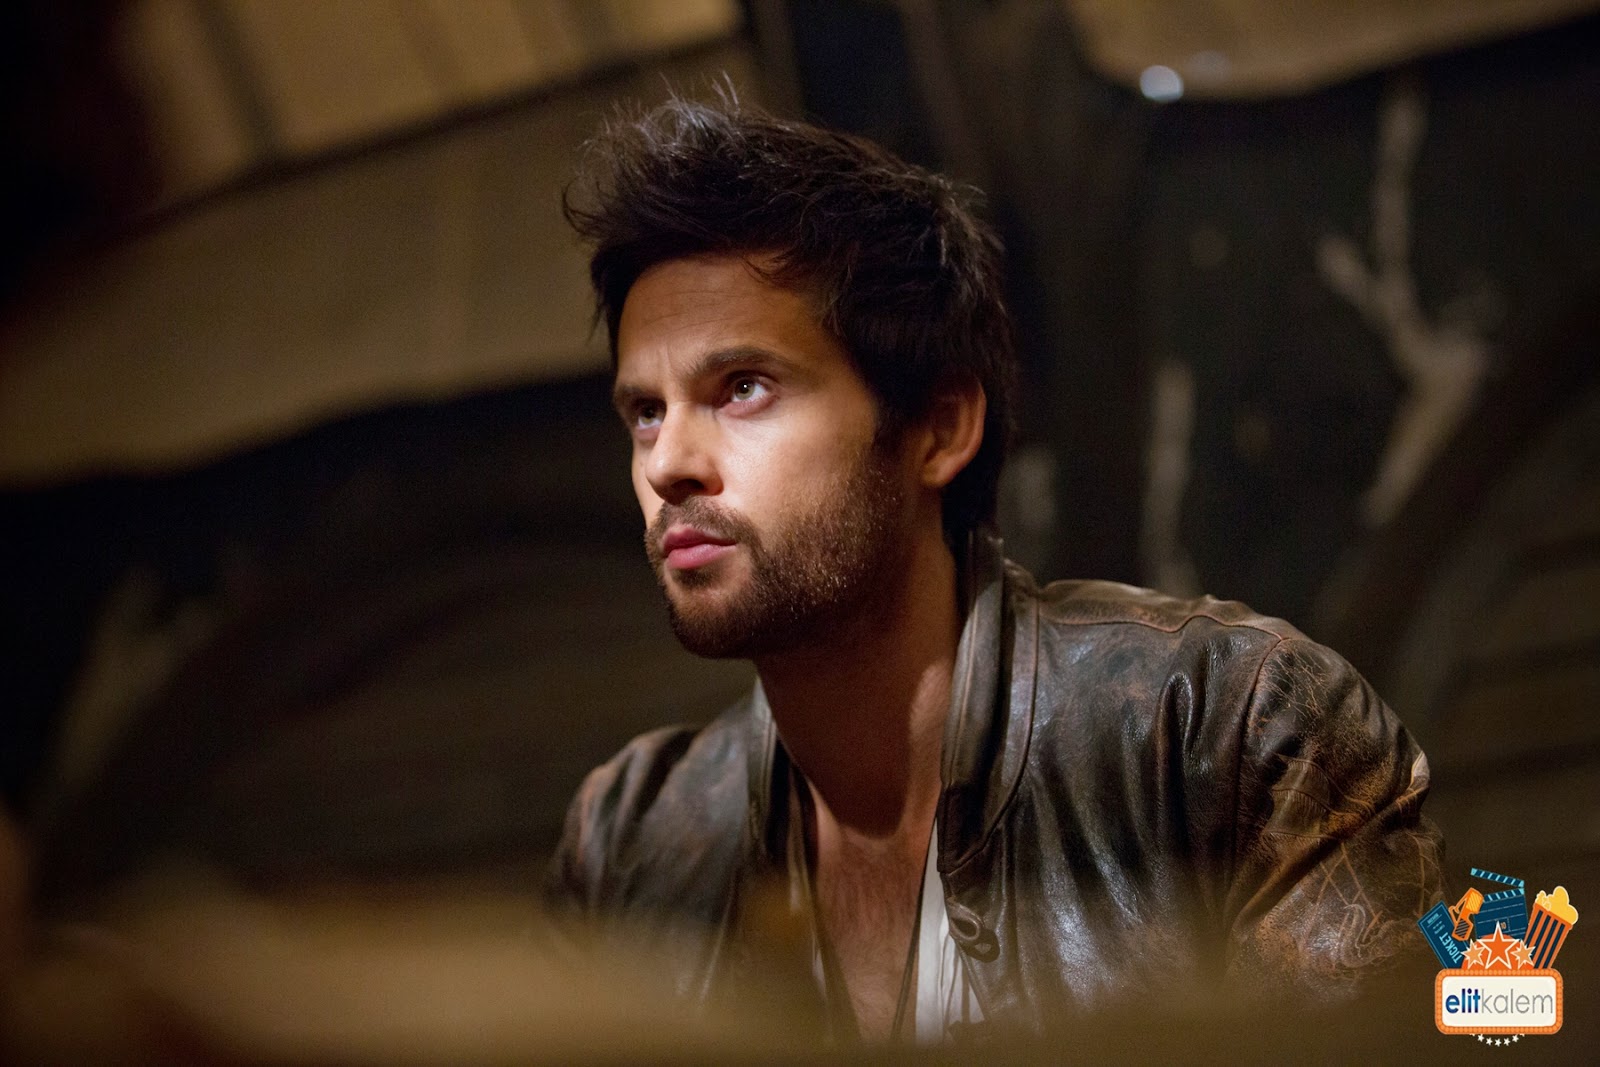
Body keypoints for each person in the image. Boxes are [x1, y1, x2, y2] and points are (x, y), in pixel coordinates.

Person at [547, 92, 1444, 1044]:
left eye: (743, 387)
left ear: (939, 429)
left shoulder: (1227, 736)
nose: (667, 463)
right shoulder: (632, 841)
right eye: (645, 411)